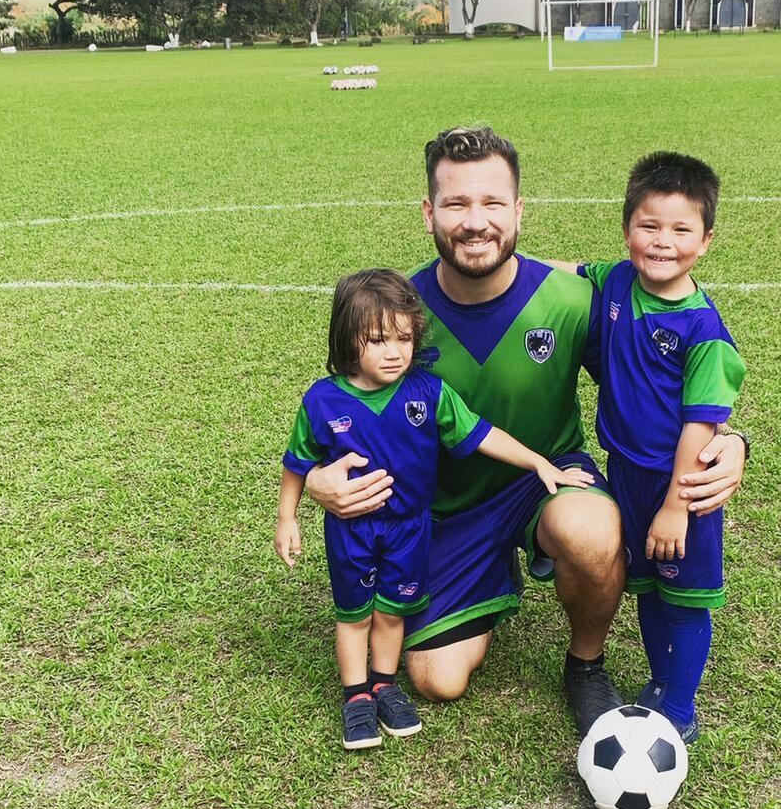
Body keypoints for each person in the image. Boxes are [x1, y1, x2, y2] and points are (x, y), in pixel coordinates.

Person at [302, 128, 748, 734]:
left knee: (591, 531)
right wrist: (317, 480)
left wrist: (731, 441)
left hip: (549, 475)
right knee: (437, 680)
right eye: (456, 204)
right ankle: (493, 571)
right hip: (446, 506)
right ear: (430, 213)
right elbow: (342, 404)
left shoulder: (573, 300)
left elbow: (660, 383)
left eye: (492, 203)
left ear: (518, 211)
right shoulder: (397, 312)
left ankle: (585, 664)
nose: (475, 221)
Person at [276, 268, 594, 749]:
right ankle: (355, 696)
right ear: (347, 339)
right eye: (378, 340)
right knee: (355, 615)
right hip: (353, 530)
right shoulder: (322, 400)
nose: (394, 352)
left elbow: (481, 433)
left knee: (392, 610)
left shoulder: (427, 392)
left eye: (404, 339)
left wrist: (538, 463)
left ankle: (384, 685)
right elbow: (297, 462)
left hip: (411, 528)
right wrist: (287, 517)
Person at [566, 153, 745, 744]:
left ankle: (681, 707)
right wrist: (513, 266)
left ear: (706, 240)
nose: (662, 241)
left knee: (684, 598)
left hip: (682, 486)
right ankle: (661, 682)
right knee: (645, 585)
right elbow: (566, 271)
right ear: (627, 230)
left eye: (681, 229)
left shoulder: (704, 332)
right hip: (626, 474)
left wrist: (676, 505)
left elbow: (700, 424)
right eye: (649, 225)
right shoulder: (617, 280)